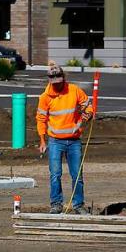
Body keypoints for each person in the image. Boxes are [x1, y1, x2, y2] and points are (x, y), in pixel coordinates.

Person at [37, 62, 93, 215]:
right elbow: (41, 118)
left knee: (77, 175)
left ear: (63, 78)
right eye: (53, 82)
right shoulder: (45, 97)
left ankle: (78, 205)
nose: (56, 85)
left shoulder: (74, 90)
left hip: (74, 141)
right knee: (55, 174)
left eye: (59, 81)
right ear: (49, 80)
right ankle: (56, 204)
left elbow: (88, 105)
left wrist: (85, 117)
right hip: (55, 141)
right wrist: (42, 140)